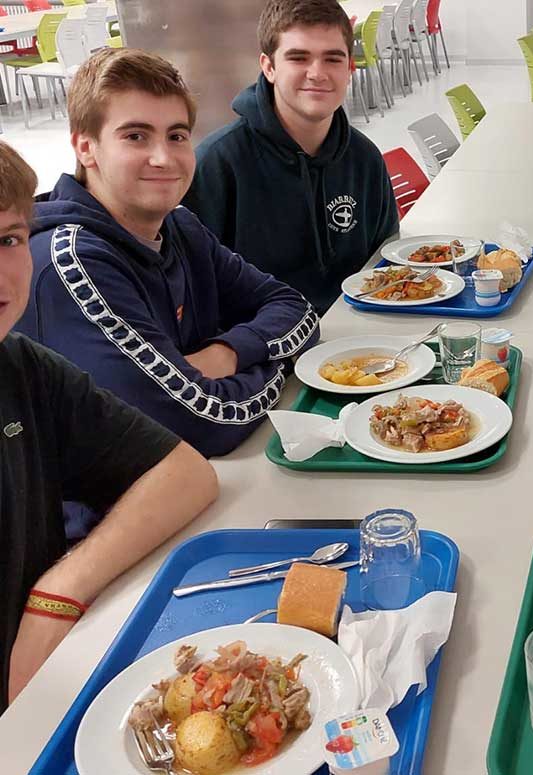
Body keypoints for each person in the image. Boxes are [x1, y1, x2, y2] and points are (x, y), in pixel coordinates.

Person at [17, 48, 321, 474]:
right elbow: (202, 422)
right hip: (98, 522)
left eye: (176, 136)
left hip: (194, 482)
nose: (163, 157)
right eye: (135, 136)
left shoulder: (179, 228)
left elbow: (295, 308)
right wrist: (286, 362)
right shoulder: (73, 265)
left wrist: (229, 352)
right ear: (86, 147)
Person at [0, 140, 218, 712]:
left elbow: (186, 473)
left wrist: (55, 594)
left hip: (53, 680)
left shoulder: (22, 368)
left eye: (8, 240)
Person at [184, 0, 400, 316]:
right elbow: (196, 292)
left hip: (357, 343)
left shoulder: (364, 159)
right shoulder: (217, 165)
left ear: (349, 67)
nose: (318, 73)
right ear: (268, 67)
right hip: (261, 353)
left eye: (333, 59)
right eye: (298, 57)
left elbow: (384, 264)